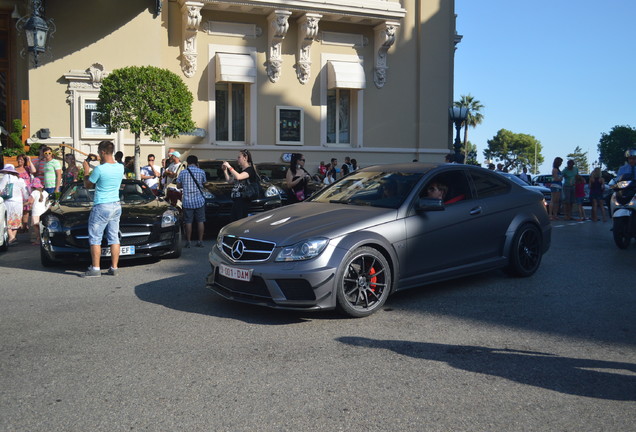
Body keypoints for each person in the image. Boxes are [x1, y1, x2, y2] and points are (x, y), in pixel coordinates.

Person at [81, 140, 124, 278]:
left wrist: (86, 169)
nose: (99, 154)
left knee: (95, 238)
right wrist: (98, 159)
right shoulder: (120, 167)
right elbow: (107, 165)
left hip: (102, 205)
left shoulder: (99, 169)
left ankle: (95, 268)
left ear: (103, 152)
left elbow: (88, 185)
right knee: (114, 237)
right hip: (116, 204)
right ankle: (114, 267)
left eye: (100, 152)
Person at [177, 155, 206, 247]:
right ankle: (200, 241)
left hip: (187, 201)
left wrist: (184, 185)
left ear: (187, 163)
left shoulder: (183, 173)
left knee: (188, 222)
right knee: (200, 221)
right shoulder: (201, 172)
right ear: (196, 162)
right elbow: (204, 184)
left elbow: (178, 186)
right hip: (199, 200)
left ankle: (188, 242)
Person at [222, 149, 258, 221]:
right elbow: (230, 180)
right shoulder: (240, 171)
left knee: (241, 221)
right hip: (236, 200)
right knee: (234, 221)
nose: (237, 159)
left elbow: (239, 177)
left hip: (244, 200)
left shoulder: (250, 170)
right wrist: (225, 170)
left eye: (239, 157)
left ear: (245, 158)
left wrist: (229, 167)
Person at [0, 164, 28, 245]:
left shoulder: (6, 177)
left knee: (6, 220)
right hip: (18, 203)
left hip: (8, 201)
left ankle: (11, 237)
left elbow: (0, 188)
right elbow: (26, 194)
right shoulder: (20, 179)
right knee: (16, 221)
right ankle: (12, 239)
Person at [15, 154, 36, 231]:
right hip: (17, 192)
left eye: (22, 160)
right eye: (19, 159)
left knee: (26, 210)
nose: (20, 161)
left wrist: (29, 160)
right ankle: (18, 225)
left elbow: (34, 171)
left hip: (26, 191)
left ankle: (25, 225)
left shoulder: (27, 168)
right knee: (18, 209)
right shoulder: (14, 169)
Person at [27, 177, 49, 246]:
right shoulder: (45, 192)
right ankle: (44, 239)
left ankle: (38, 239)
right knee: (42, 226)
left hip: (36, 212)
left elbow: (30, 201)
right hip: (44, 211)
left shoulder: (34, 192)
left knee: (36, 227)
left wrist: (24, 204)